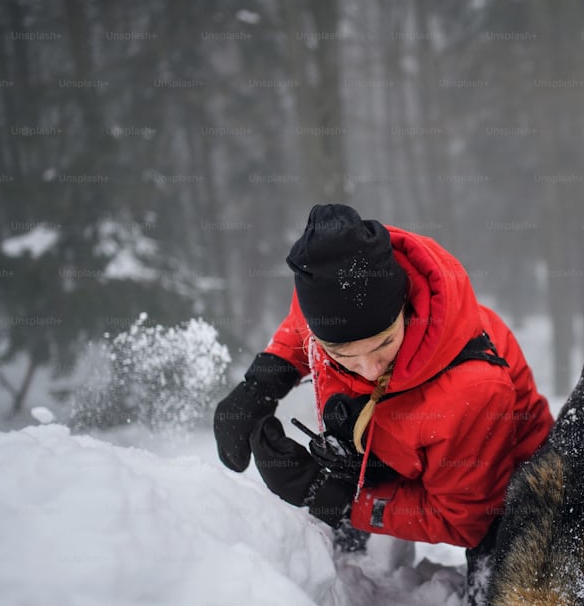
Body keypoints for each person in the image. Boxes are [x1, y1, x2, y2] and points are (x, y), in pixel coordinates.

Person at [212, 203, 554, 602]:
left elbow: (465, 520)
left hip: (498, 493)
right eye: (343, 356)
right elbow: (301, 322)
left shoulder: (470, 391)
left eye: (384, 344)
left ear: (406, 306)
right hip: (400, 447)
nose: (369, 369)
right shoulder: (334, 291)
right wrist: (261, 384)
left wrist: (328, 494)